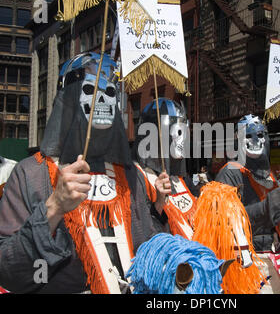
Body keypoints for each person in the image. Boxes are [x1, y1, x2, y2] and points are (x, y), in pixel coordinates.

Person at [0, 53, 165, 294]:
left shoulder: (131, 177)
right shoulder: (31, 174)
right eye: (90, 89)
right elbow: (8, 271)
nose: (102, 99)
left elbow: (148, 246)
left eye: (110, 93)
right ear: (67, 99)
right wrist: (54, 208)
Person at [215, 114, 280, 252]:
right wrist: (265, 207)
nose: (255, 140)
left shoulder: (268, 175)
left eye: (260, 135)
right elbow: (224, 218)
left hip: (269, 248)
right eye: (248, 136)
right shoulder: (229, 173)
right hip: (243, 250)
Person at [133, 98, 198, 240]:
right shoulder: (136, 177)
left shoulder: (180, 177)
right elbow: (142, 233)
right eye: (177, 132)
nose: (183, 141)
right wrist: (159, 203)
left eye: (184, 132)